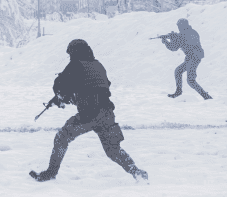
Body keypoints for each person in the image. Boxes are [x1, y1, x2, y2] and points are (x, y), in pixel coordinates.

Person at [29, 39, 147, 183]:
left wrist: (62, 97)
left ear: (74, 52)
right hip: (107, 113)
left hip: (88, 115)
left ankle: (51, 173)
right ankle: (137, 173)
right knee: (113, 150)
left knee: (61, 138)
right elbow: (100, 85)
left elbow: (59, 86)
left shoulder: (75, 65)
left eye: (71, 54)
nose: (70, 57)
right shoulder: (98, 65)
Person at [163, 18, 212, 99]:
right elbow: (182, 41)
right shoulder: (192, 32)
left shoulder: (184, 35)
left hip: (193, 58)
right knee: (178, 71)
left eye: (179, 26)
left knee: (191, 81)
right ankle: (178, 91)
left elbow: (174, 48)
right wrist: (174, 38)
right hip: (193, 58)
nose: (178, 28)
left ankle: (206, 96)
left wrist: (166, 41)